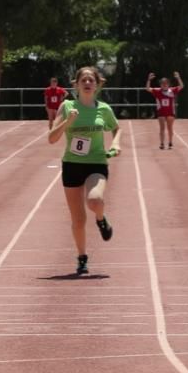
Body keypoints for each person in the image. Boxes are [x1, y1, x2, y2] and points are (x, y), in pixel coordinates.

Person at [48, 66, 121, 275]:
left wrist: (115, 143)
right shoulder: (67, 106)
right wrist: (68, 121)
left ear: (97, 85)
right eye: (84, 80)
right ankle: (82, 257)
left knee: (95, 200)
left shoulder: (104, 109)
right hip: (72, 165)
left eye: (91, 80)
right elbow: (52, 139)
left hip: (96, 163)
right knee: (78, 219)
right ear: (77, 85)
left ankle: (100, 218)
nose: (88, 83)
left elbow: (117, 128)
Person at [145, 71, 184, 149]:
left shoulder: (172, 90)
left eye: (166, 83)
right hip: (161, 113)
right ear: (160, 85)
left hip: (170, 112)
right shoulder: (157, 91)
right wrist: (149, 80)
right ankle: (162, 143)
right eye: (163, 83)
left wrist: (178, 77)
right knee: (162, 128)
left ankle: (170, 142)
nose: (164, 85)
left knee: (170, 128)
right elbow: (147, 89)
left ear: (168, 84)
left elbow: (181, 86)